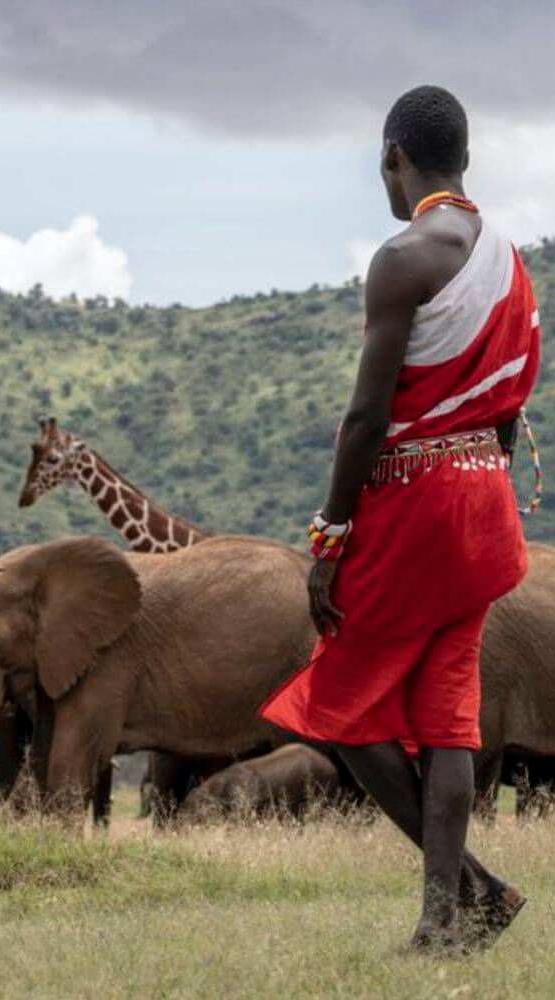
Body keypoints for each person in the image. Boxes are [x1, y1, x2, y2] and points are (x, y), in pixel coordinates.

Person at [261, 85, 540, 952]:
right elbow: (506, 406)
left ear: (393, 157)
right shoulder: (511, 258)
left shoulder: (402, 258)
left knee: (333, 702)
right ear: (464, 159)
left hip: (411, 508)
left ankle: (473, 889)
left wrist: (330, 537)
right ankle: (445, 919)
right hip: (485, 509)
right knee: (449, 715)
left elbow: (365, 420)